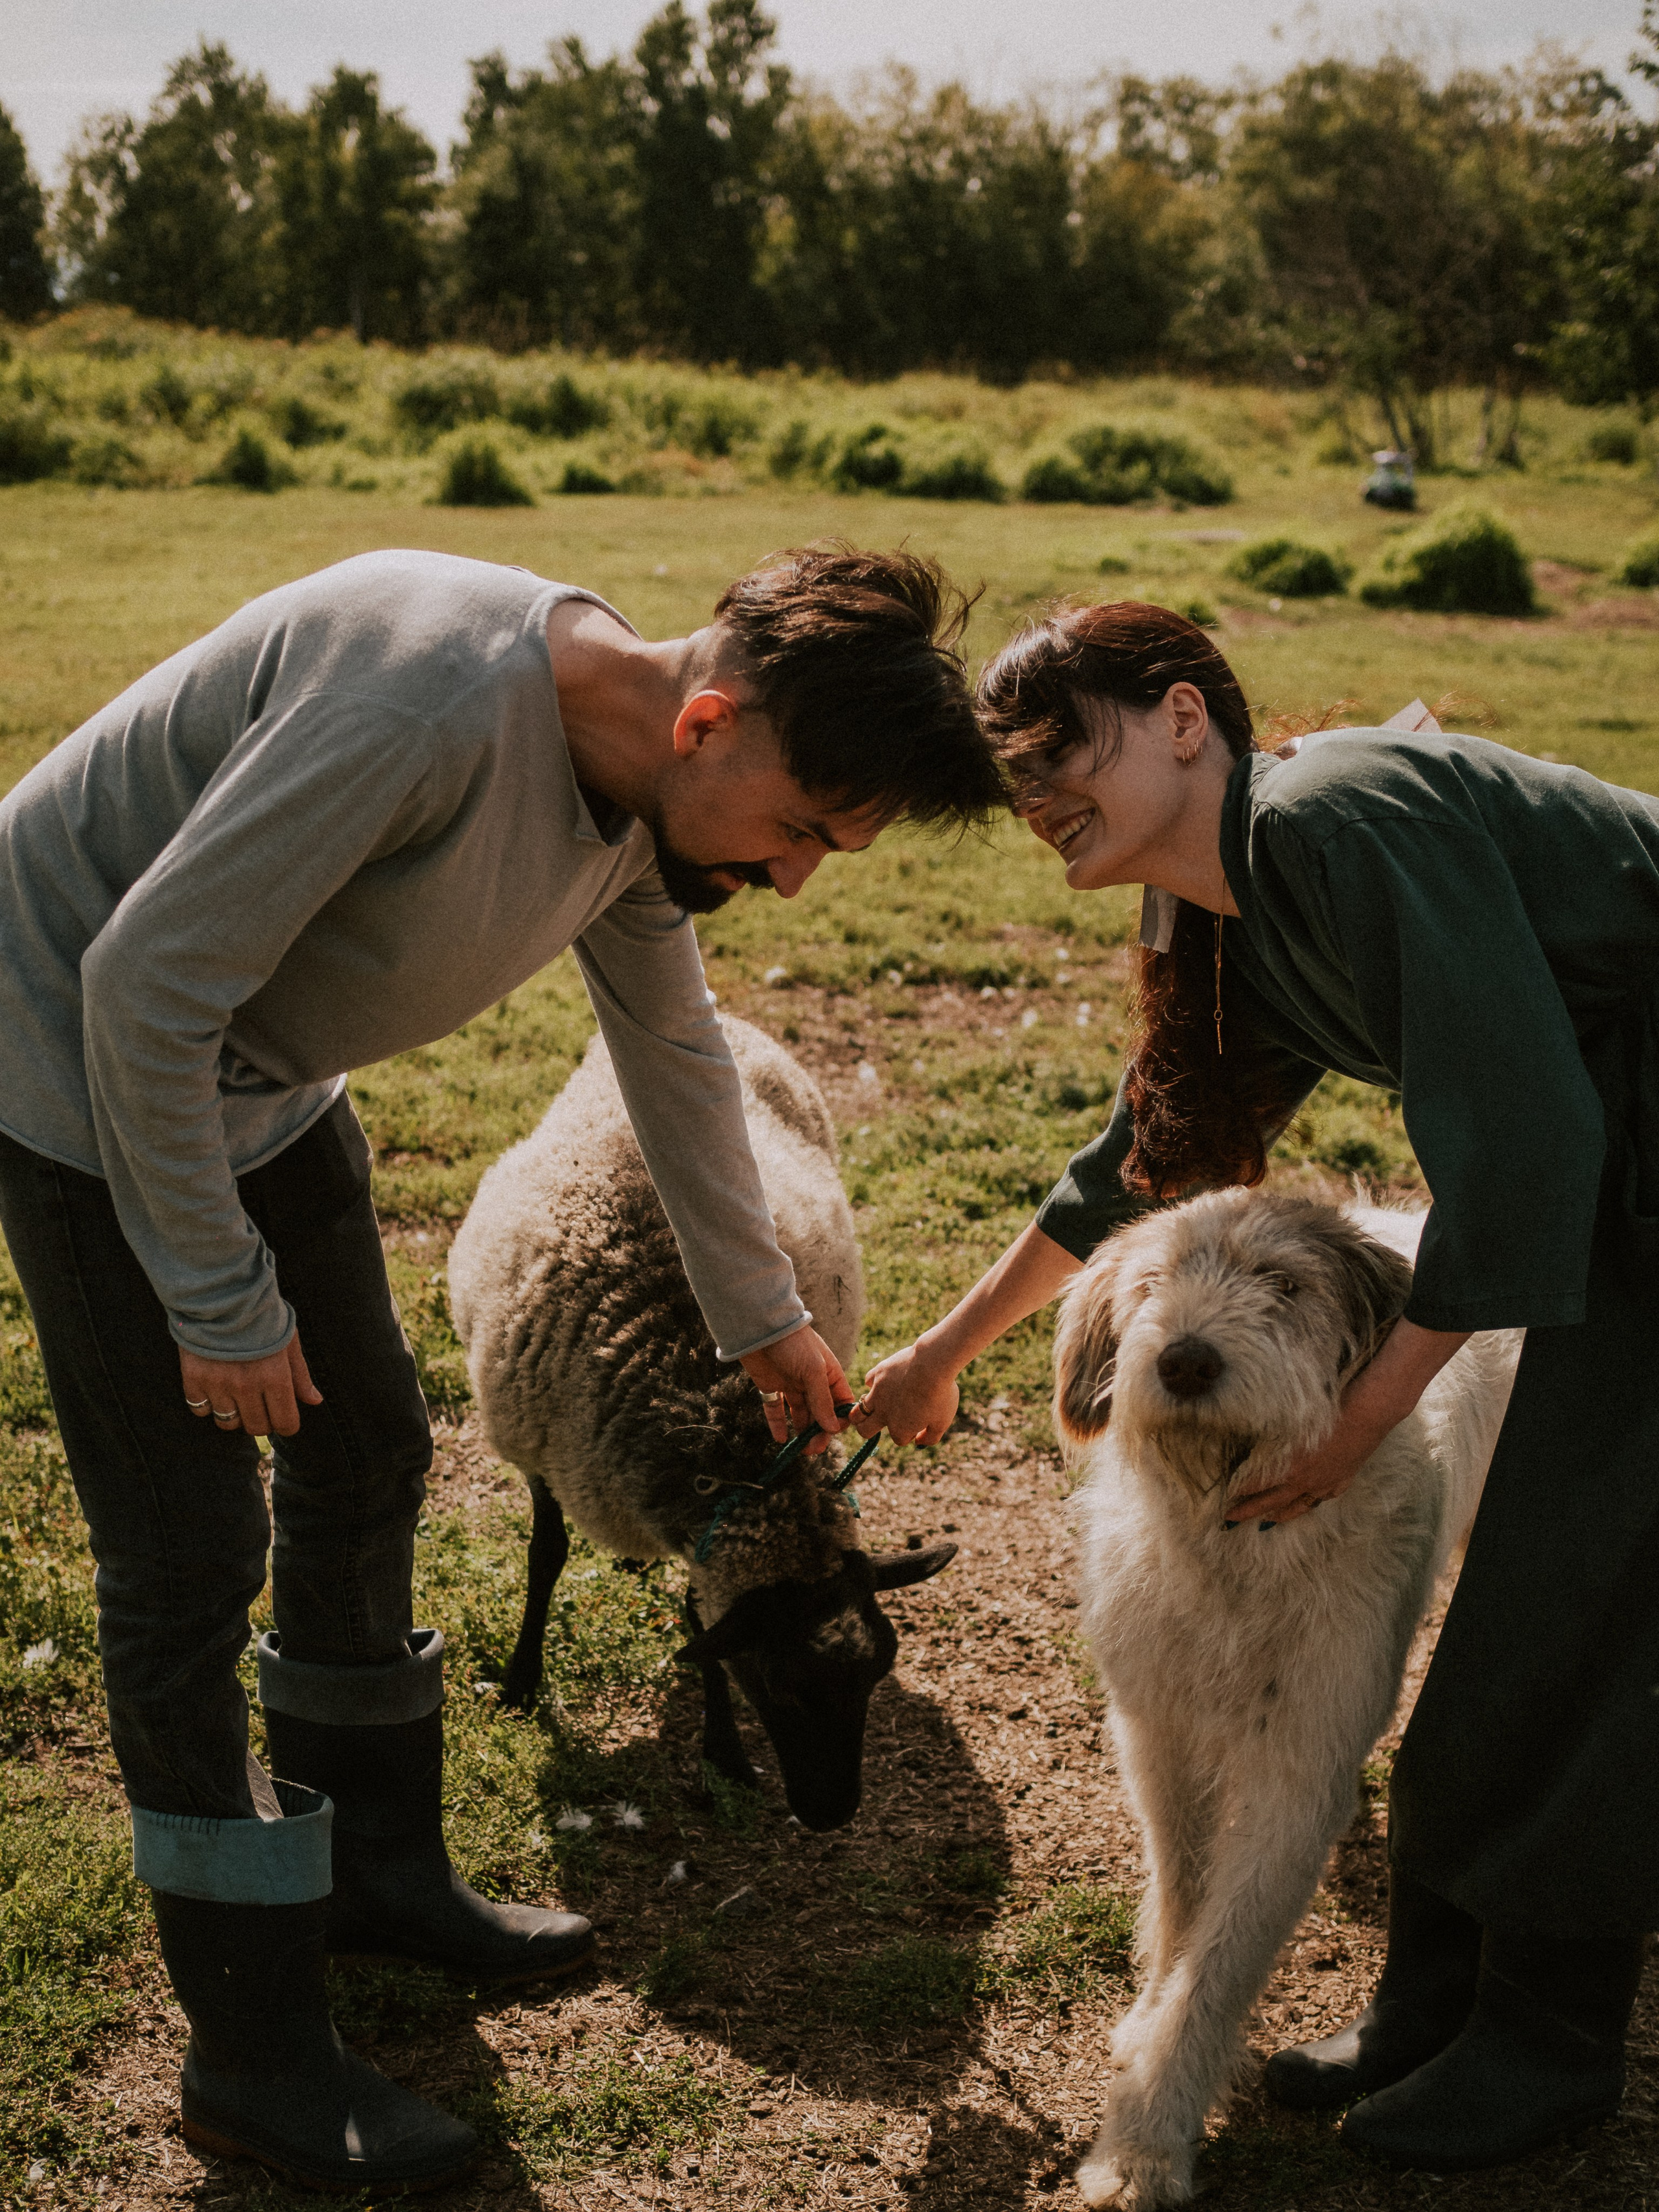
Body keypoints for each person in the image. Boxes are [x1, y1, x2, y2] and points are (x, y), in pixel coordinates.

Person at [0, 542, 1003, 2191]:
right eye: (802, 830)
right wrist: (217, 1301)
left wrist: (763, 1317)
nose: (794, 879)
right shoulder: (426, 710)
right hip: (80, 1071)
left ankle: (374, 1872)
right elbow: (141, 982)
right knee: (186, 1555)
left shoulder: (633, 797)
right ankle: (251, 2053)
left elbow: (673, 1049)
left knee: (368, 1454)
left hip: (260, 1075)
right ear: (708, 723)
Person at [857, 597, 1659, 2176]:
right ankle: (1435, 2003)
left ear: (1180, 719)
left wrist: (1360, 1420)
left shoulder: (1329, 816)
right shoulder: (1231, 907)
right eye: (1013, 771)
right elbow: (1140, 1161)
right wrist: (944, 1350)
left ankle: (1544, 2042)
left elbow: (1527, 1157)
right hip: (1604, 1158)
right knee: (1521, 1604)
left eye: (1059, 748)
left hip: (1615, 1158)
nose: (1033, 790)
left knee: (1575, 1605)